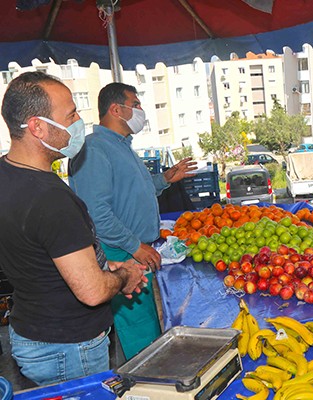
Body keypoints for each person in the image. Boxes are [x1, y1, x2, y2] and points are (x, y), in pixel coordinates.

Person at [0, 71, 147, 385]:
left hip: (32, 330)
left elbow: (43, 255)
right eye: (70, 115)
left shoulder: (7, 173)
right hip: (67, 348)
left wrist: (103, 265)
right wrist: (125, 276)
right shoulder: (49, 198)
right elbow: (92, 292)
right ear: (37, 127)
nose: (79, 121)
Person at [69, 82, 197, 358]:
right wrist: (134, 246)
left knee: (152, 324)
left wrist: (165, 179)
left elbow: (131, 190)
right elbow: (96, 212)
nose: (141, 111)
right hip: (121, 253)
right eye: (136, 105)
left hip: (137, 247)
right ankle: (146, 384)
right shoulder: (93, 150)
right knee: (140, 330)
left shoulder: (122, 146)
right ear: (116, 109)